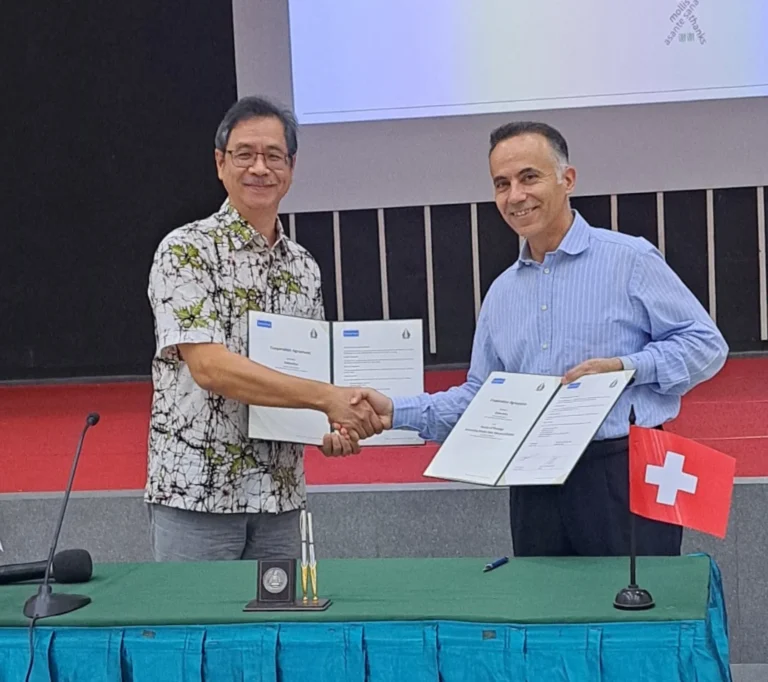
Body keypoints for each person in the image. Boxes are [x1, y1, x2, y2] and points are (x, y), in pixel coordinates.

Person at [331, 121, 729, 558]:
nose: (515, 196)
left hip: (622, 472)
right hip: (532, 482)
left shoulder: (629, 260)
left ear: (567, 179)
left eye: (529, 177)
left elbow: (705, 345)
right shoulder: (502, 293)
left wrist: (626, 368)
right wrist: (394, 411)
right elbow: (478, 398)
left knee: (637, 603)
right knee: (541, 603)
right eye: (501, 184)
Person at [145, 95, 381, 562]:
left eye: (274, 155)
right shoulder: (186, 251)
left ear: (291, 168)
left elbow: (310, 373)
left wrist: (333, 427)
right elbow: (211, 369)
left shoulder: (303, 267)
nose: (260, 168)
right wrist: (326, 398)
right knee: (198, 614)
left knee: (281, 613)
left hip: (279, 494)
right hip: (200, 493)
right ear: (220, 163)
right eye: (245, 154)